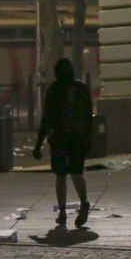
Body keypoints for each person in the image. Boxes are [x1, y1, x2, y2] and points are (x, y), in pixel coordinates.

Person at [33, 58, 94, 227]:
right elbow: (89, 117)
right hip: (78, 138)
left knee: (60, 176)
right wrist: (89, 140)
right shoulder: (82, 88)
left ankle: (62, 212)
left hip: (59, 138)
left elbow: (47, 118)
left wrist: (38, 144)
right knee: (76, 173)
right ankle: (84, 202)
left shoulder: (54, 89)